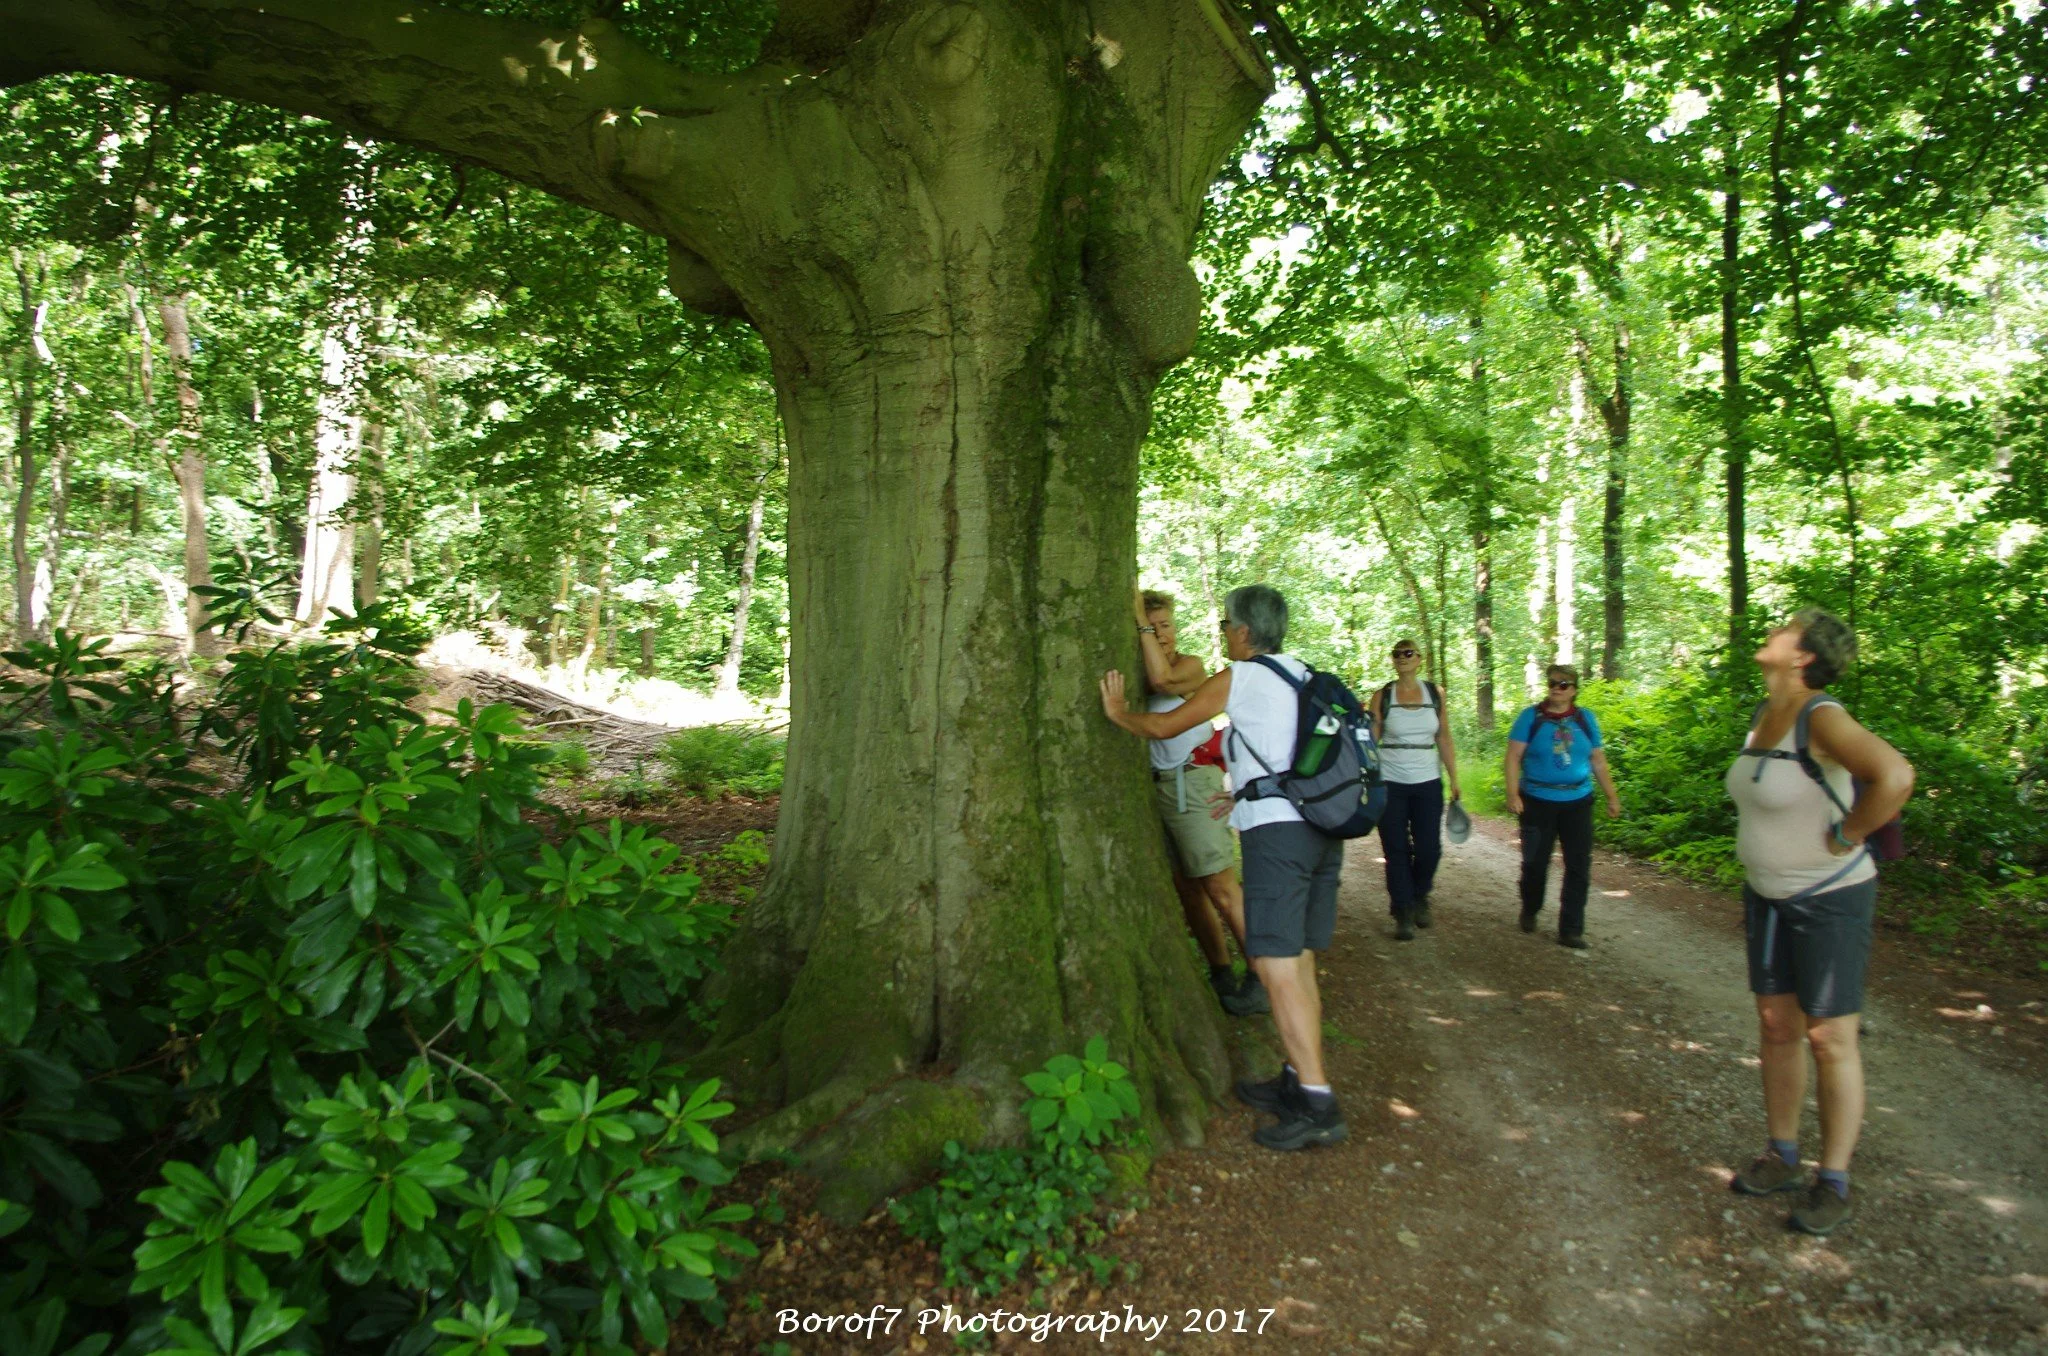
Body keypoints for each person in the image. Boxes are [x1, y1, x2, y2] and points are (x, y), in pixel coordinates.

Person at [1098, 584, 1346, 1151]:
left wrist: (1116, 713)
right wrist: (1248, 792)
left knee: (1279, 967)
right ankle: (1296, 1077)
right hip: (1319, 832)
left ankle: (1318, 1102)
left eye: (1226, 625)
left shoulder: (1243, 677)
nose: (1223, 634)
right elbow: (1294, 750)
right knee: (1299, 962)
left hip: (1280, 838)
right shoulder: (1304, 674)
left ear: (1241, 631)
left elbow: (1164, 725)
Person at [1726, 610, 1913, 1236]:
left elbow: (1895, 775)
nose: (1770, 632)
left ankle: (1832, 1180)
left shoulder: (1822, 717)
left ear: (1803, 656)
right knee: (1778, 1025)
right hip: (1767, 895)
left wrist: (1851, 832)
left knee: (1830, 1038)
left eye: (1784, 629)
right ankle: (1781, 1154)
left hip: (1829, 896)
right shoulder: (1764, 713)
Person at [1133, 587, 1267, 1016]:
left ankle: (1263, 979)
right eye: (1152, 628)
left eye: (1166, 626)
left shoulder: (1190, 668)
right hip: (1158, 790)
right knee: (1188, 889)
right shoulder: (1134, 664)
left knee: (1220, 886)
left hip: (1193, 783)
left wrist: (1141, 626)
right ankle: (1221, 971)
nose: (1161, 635)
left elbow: (1163, 681)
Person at [1504, 664, 1621, 948]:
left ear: (1574, 690)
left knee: (1578, 865)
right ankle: (1530, 908)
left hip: (1578, 802)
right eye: (1552, 683)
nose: (1556, 688)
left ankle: (1571, 929)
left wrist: (1612, 796)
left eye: (1563, 684)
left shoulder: (1585, 719)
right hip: (1536, 801)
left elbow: (1598, 761)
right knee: (1535, 862)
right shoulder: (1530, 717)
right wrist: (1512, 794)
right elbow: (1512, 758)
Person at [1371, 639, 1461, 942]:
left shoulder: (1435, 694)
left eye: (1408, 653)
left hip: (1427, 781)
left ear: (1420, 659)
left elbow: (1444, 737)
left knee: (1428, 849)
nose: (1402, 658)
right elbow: (1371, 740)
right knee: (1395, 848)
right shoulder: (1382, 696)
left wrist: (1455, 778)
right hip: (1390, 781)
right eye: (1397, 654)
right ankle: (1403, 910)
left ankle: (1421, 895)